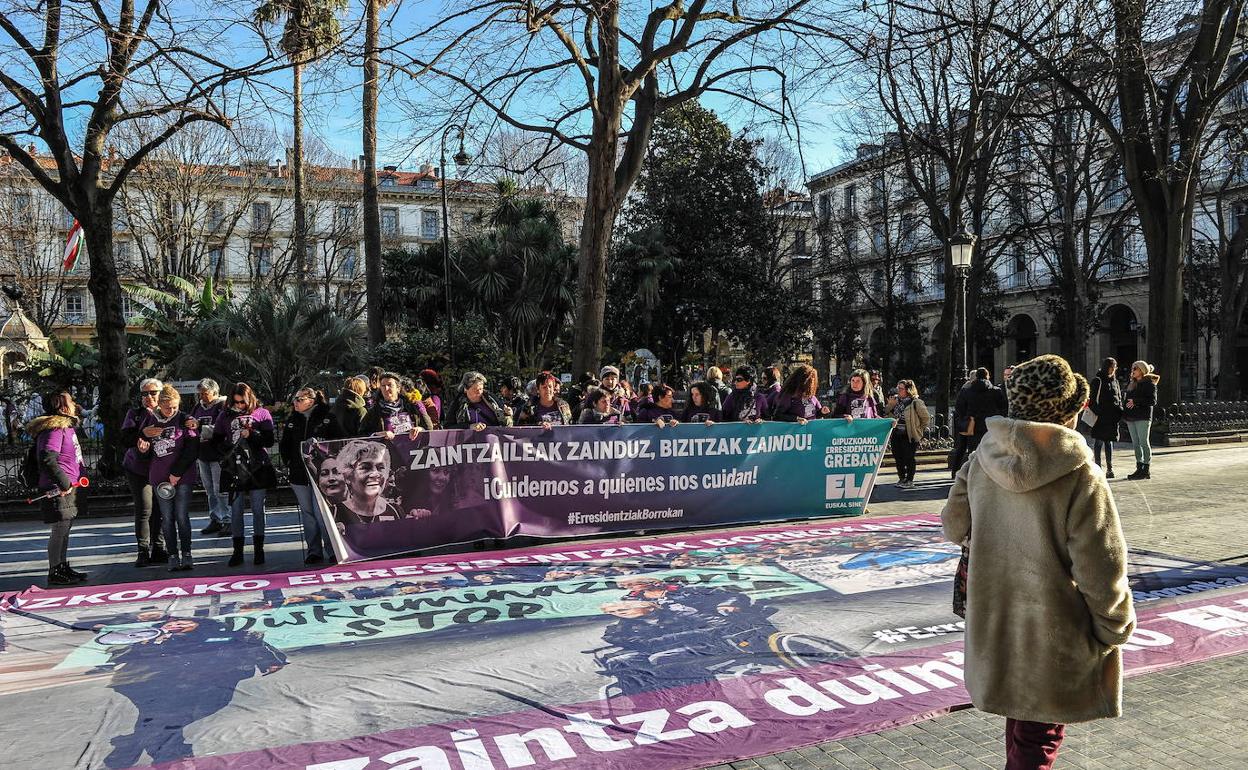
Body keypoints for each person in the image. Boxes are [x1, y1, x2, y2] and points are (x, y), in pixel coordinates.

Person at [942, 354, 1135, 770]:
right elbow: (1101, 565)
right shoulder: (1081, 472)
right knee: (1039, 739)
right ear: (1068, 410)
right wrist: (1114, 625)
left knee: (1022, 727)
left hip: (996, 621)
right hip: (1053, 628)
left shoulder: (982, 458)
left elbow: (953, 526)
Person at [215, 382, 276, 567]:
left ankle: (259, 549)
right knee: (236, 511)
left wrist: (252, 434)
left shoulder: (262, 413)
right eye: (236, 402)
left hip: (257, 466)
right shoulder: (224, 416)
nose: (240, 405)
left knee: (258, 509)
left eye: (242, 402)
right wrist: (229, 448)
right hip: (235, 468)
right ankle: (238, 550)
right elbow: (217, 441)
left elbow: (269, 440)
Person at [30, 391, 86, 586]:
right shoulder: (54, 428)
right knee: (60, 528)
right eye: (71, 400)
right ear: (63, 406)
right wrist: (64, 482)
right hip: (58, 487)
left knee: (66, 527)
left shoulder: (66, 427)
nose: (74, 403)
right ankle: (55, 569)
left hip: (70, 485)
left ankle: (62, 566)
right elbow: (47, 457)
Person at [147, 385, 199, 572]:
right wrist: (142, 442)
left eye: (175, 407)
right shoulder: (151, 419)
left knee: (181, 516)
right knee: (167, 518)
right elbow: (139, 439)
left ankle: (186, 553)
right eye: (168, 407)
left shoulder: (184, 419)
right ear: (160, 405)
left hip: (182, 476)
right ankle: (172, 554)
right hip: (159, 477)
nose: (172, 411)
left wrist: (176, 473)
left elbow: (192, 447)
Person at [280, 387, 335, 564]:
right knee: (308, 512)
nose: (295, 402)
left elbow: (337, 441)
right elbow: (285, 445)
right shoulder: (292, 420)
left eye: (299, 399)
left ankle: (332, 549)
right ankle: (314, 551)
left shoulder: (327, 417)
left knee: (321, 513)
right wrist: (289, 463)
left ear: (311, 400)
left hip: (320, 473)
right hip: (298, 473)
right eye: (294, 399)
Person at [120, 378, 168, 567]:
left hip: (162, 468)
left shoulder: (168, 412)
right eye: (144, 394)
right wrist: (142, 435)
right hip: (138, 469)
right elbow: (125, 438)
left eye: (153, 393)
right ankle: (143, 550)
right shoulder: (135, 414)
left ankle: (159, 548)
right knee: (144, 508)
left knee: (160, 509)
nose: (148, 397)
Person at [192, 379, 231, 537]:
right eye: (200, 393)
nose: (202, 396)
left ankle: (228, 519)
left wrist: (202, 428)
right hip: (203, 454)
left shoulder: (222, 406)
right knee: (209, 490)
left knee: (220, 489)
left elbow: (222, 429)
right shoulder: (197, 407)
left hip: (218, 454)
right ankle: (215, 518)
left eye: (205, 393)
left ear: (215, 392)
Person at [334, 440, 406, 526]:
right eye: (365, 468)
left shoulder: (396, 511)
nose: (375, 474)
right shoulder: (334, 514)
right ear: (348, 476)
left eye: (380, 468)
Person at [952, 367, 1008, 470]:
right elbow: (1003, 408)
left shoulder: (966, 391)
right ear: (988, 376)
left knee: (973, 451)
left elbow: (959, 408)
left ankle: (972, 473)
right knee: (990, 450)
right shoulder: (996, 391)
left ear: (976, 377)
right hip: (991, 425)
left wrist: (967, 417)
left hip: (973, 425)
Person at [362, 371, 433, 439]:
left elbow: (429, 427)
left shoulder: (411, 406)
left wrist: (419, 429)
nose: (386, 388)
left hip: (412, 449)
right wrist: (377, 435)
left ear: (398, 388)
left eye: (390, 385)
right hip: (387, 450)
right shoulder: (374, 410)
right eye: (383, 386)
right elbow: (362, 434)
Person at [886, 379, 930, 488]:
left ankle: (909, 479)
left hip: (909, 434)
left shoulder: (915, 402)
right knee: (898, 456)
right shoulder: (895, 401)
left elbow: (926, 418)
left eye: (901, 388)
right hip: (896, 433)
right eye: (898, 388)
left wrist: (918, 429)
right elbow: (886, 414)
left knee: (909, 457)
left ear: (908, 390)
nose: (898, 391)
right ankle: (902, 478)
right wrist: (890, 405)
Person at [1123, 360, 1160, 480]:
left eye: (1135, 369)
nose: (1132, 371)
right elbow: (1127, 401)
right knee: (1136, 444)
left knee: (1144, 442)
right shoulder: (1131, 384)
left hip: (1143, 417)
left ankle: (1146, 468)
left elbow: (1152, 401)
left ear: (1142, 370)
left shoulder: (1149, 384)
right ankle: (1139, 467)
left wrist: (1136, 401)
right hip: (1131, 417)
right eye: (1132, 369)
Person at [1088, 358, 1124, 478]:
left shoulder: (1115, 381)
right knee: (1098, 442)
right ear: (1106, 367)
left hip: (1112, 417)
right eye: (1112, 367)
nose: (1114, 369)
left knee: (1109, 442)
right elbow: (1092, 400)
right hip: (1100, 417)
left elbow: (1119, 397)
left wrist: (1119, 411)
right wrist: (1098, 412)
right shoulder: (1097, 380)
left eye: (1115, 367)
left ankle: (1109, 468)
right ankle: (1098, 467)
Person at [446, 371, 514, 430]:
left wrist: (508, 415)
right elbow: (448, 427)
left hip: (491, 441)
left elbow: (507, 426)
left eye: (481, 389)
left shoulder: (491, 399)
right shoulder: (458, 403)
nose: (479, 392)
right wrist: (469, 427)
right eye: (475, 390)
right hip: (468, 443)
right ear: (465, 389)